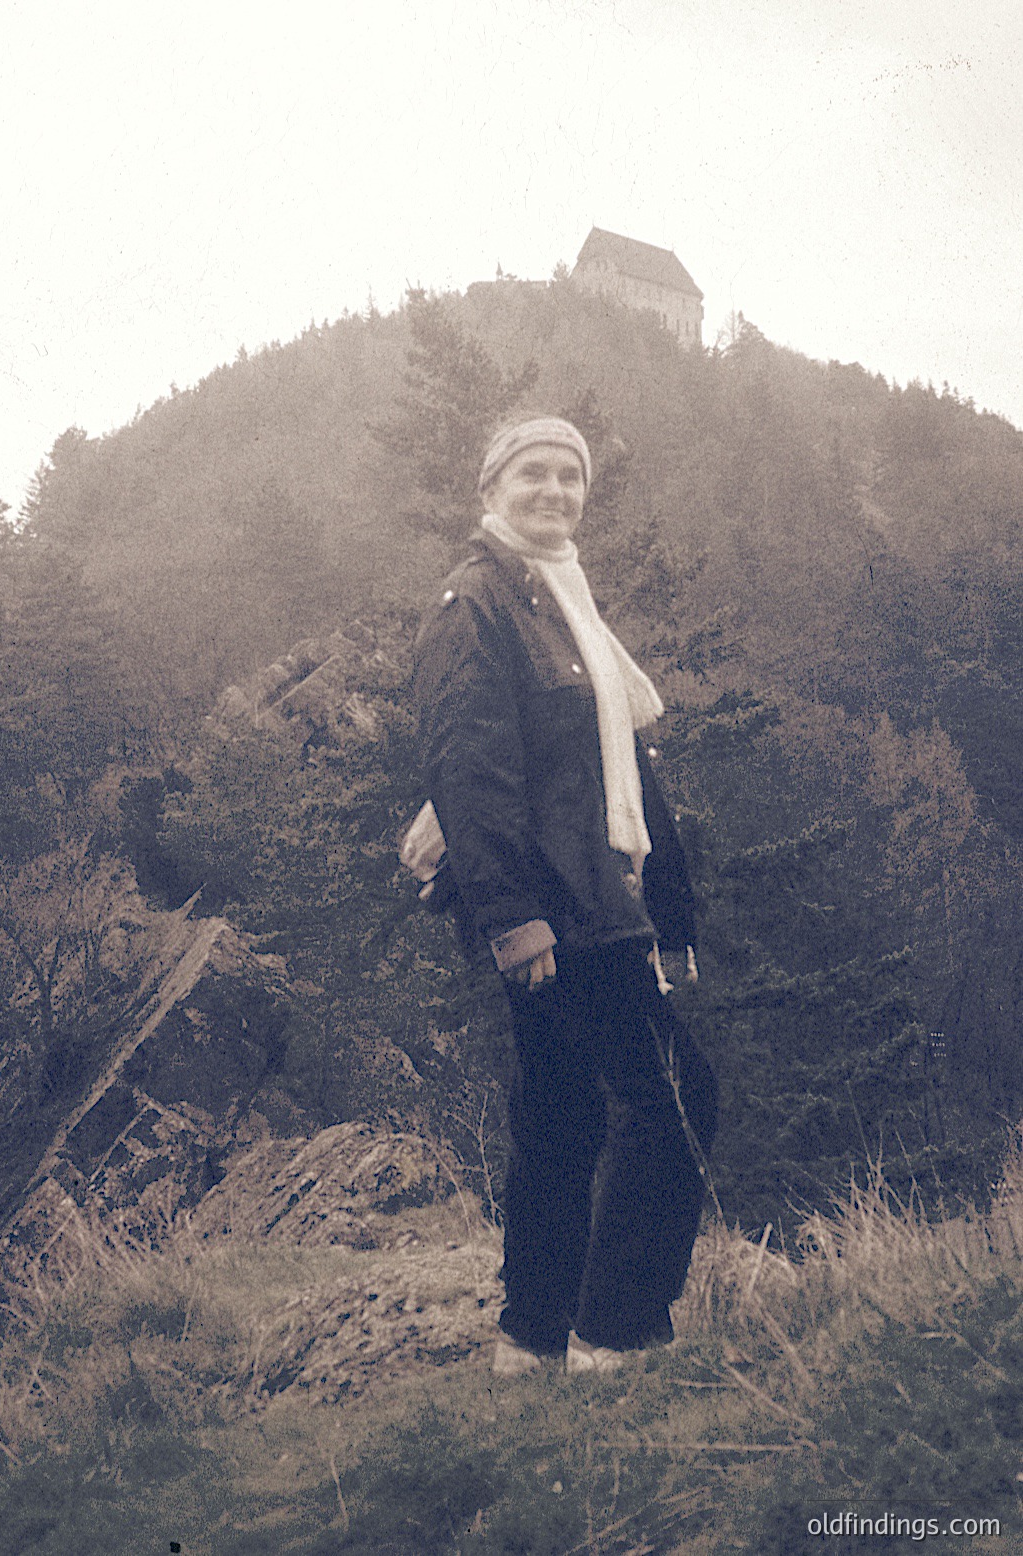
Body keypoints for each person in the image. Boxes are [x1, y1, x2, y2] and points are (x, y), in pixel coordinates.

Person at [407, 416, 718, 1375]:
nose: (553, 491)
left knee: (562, 1116)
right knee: (674, 1100)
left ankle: (531, 1340)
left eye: (568, 477)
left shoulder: (562, 603)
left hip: (598, 896)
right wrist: (513, 916)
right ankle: (616, 1334)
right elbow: (469, 774)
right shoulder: (477, 603)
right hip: (557, 906)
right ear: (490, 488)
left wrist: (672, 907)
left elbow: (620, 766)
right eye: (532, 474)